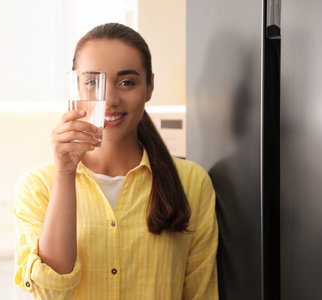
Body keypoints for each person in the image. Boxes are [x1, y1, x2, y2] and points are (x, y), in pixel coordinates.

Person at [14, 23, 218, 299]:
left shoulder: (192, 182)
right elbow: (51, 291)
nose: (109, 100)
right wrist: (65, 173)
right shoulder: (36, 187)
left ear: (149, 87)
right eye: (92, 82)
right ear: (75, 88)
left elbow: (200, 293)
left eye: (127, 82)